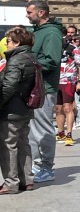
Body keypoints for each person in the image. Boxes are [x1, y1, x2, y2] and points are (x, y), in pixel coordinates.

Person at [26, 0, 63, 183]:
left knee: (43, 128)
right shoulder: (38, 31)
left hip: (44, 88)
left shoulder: (52, 33)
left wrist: (28, 65)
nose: (27, 15)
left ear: (41, 13)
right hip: (34, 86)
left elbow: (52, 60)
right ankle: (36, 163)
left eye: (30, 12)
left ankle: (46, 166)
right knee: (32, 130)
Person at [0, 26, 39, 194]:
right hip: (25, 108)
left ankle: (11, 183)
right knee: (23, 143)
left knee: (8, 145)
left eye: (8, 41)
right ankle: (27, 180)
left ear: (17, 42)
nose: (6, 44)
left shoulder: (16, 60)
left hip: (11, 109)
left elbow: (9, 86)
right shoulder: (31, 57)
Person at [55, 32, 80, 145]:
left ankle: (69, 134)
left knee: (67, 107)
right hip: (55, 81)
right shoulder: (53, 49)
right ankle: (60, 132)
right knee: (58, 108)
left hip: (68, 81)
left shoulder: (73, 49)